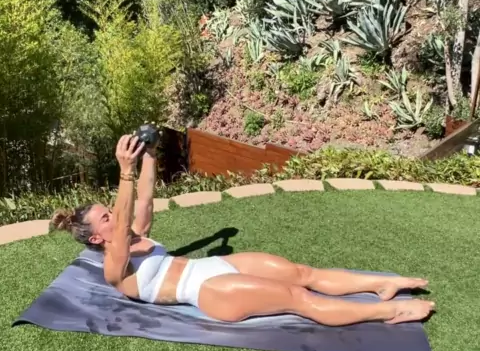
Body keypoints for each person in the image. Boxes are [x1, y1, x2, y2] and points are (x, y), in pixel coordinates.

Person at [51, 134, 435, 326]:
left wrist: (148, 154)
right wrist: (125, 170)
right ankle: (392, 310)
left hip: (213, 267)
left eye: (109, 212)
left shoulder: (136, 235)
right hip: (210, 293)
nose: (113, 216)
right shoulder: (114, 266)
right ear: (96, 237)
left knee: (303, 273)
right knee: (298, 297)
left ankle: (380, 285)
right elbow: (123, 218)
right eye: (105, 218)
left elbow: (145, 198)